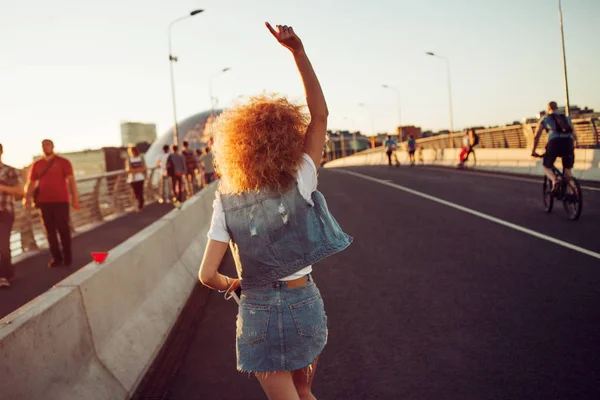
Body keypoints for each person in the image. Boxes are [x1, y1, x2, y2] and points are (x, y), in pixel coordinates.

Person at [198, 22, 352, 400]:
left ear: (235, 148)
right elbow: (319, 116)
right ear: (285, 135)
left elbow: (207, 275)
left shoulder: (226, 196)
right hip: (305, 301)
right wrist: (298, 53)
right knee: (304, 390)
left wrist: (231, 284)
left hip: (259, 308)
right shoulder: (300, 175)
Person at [23, 140, 80, 268]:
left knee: (63, 228)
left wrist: (75, 199)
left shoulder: (63, 162)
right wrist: (26, 198)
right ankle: (56, 258)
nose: (46, 147)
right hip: (44, 202)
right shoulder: (37, 164)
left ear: (52, 146)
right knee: (50, 231)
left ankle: (67, 256)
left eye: (48, 145)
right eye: (44, 145)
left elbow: (71, 181)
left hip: (61, 200)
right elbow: (31, 183)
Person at [532, 101, 578, 191]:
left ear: (548, 109)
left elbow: (536, 136)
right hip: (568, 142)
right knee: (567, 168)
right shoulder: (566, 118)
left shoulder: (545, 118)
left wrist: (533, 150)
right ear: (557, 108)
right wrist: (575, 143)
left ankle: (555, 180)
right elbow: (574, 133)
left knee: (546, 166)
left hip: (554, 143)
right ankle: (572, 192)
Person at [0, 143, 24, 288]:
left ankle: (4, 275)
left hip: (4, 211)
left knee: (3, 244)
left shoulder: (10, 171)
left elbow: (20, 190)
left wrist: (1, 186)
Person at [125, 145, 147, 212]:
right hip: (132, 179)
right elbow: (128, 170)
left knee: (140, 192)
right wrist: (139, 170)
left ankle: (140, 206)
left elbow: (144, 168)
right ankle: (140, 204)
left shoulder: (141, 158)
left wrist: (134, 170)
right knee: (135, 192)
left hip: (140, 178)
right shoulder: (129, 159)